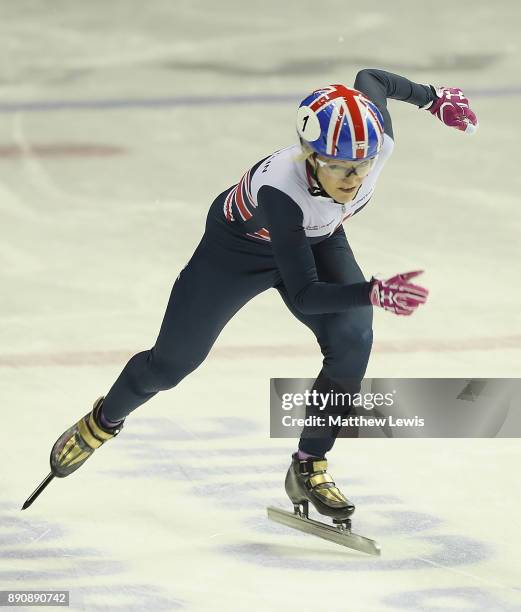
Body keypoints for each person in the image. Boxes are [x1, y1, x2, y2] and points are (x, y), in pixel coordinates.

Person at [47, 69, 477, 523]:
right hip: (237, 252)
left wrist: (432, 99)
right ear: (311, 156)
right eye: (339, 166)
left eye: (362, 165)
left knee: (354, 337)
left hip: (317, 237)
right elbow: (308, 294)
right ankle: (102, 422)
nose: (353, 178)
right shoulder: (281, 190)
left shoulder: (376, 140)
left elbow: (371, 79)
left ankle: (310, 464)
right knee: (172, 365)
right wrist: (373, 291)